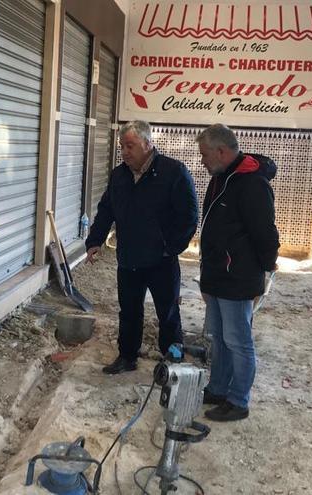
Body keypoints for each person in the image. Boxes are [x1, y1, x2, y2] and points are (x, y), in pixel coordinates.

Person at [85, 120, 198, 374]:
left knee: (167, 310)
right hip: (129, 257)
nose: (124, 152)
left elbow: (189, 215)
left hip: (162, 259)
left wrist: (172, 247)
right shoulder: (119, 175)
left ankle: (172, 356)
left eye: (130, 146)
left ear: (148, 144)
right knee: (129, 310)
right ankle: (127, 356)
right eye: (122, 146)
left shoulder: (173, 172)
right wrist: (94, 241)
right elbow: (106, 210)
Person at [196, 124, 279, 421]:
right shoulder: (221, 178)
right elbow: (213, 231)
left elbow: (265, 233)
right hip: (217, 275)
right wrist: (206, 276)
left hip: (239, 278)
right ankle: (217, 388)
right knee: (218, 338)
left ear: (221, 151)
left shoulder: (252, 183)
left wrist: (267, 270)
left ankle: (238, 400)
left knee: (238, 340)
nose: (202, 160)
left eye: (205, 154)